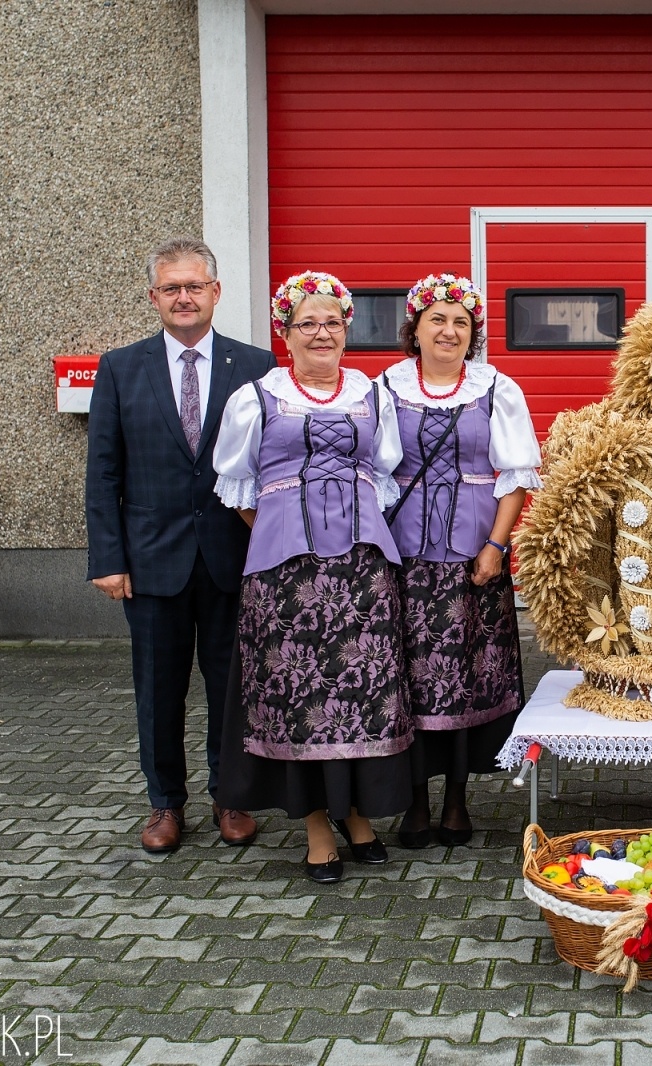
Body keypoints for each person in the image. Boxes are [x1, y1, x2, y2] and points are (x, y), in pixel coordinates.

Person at [211, 271, 413, 883]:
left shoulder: (371, 395)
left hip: (361, 566)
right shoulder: (256, 398)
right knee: (302, 696)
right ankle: (318, 827)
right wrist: (281, 523)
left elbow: (385, 475)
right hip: (284, 575)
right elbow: (240, 487)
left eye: (332, 321)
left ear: (346, 329)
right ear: (285, 332)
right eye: (308, 323)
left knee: (358, 691)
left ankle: (357, 815)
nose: (321, 332)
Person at [86, 237, 275, 854]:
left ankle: (231, 797)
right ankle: (165, 802)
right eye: (172, 288)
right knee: (158, 690)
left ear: (216, 292)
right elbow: (103, 472)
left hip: (233, 559)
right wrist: (108, 559)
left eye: (195, 286)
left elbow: (273, 466)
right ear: (154, 298)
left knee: (232, 688)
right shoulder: (120, 368)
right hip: (150, 564)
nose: (184, 297)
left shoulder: (256, 367)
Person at [379, 274, 540, 848]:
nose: (449, 331)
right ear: (415, 328)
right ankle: (415, 800)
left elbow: (516, 475)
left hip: (472, 557)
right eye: (438, 320)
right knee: (409, 678)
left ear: (472, 335)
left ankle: (456, 800)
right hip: (401, 553)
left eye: (461, 323)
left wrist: (497, 546)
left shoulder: (496, 388)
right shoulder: (386, 388)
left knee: (465, 677)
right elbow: (371, 470)